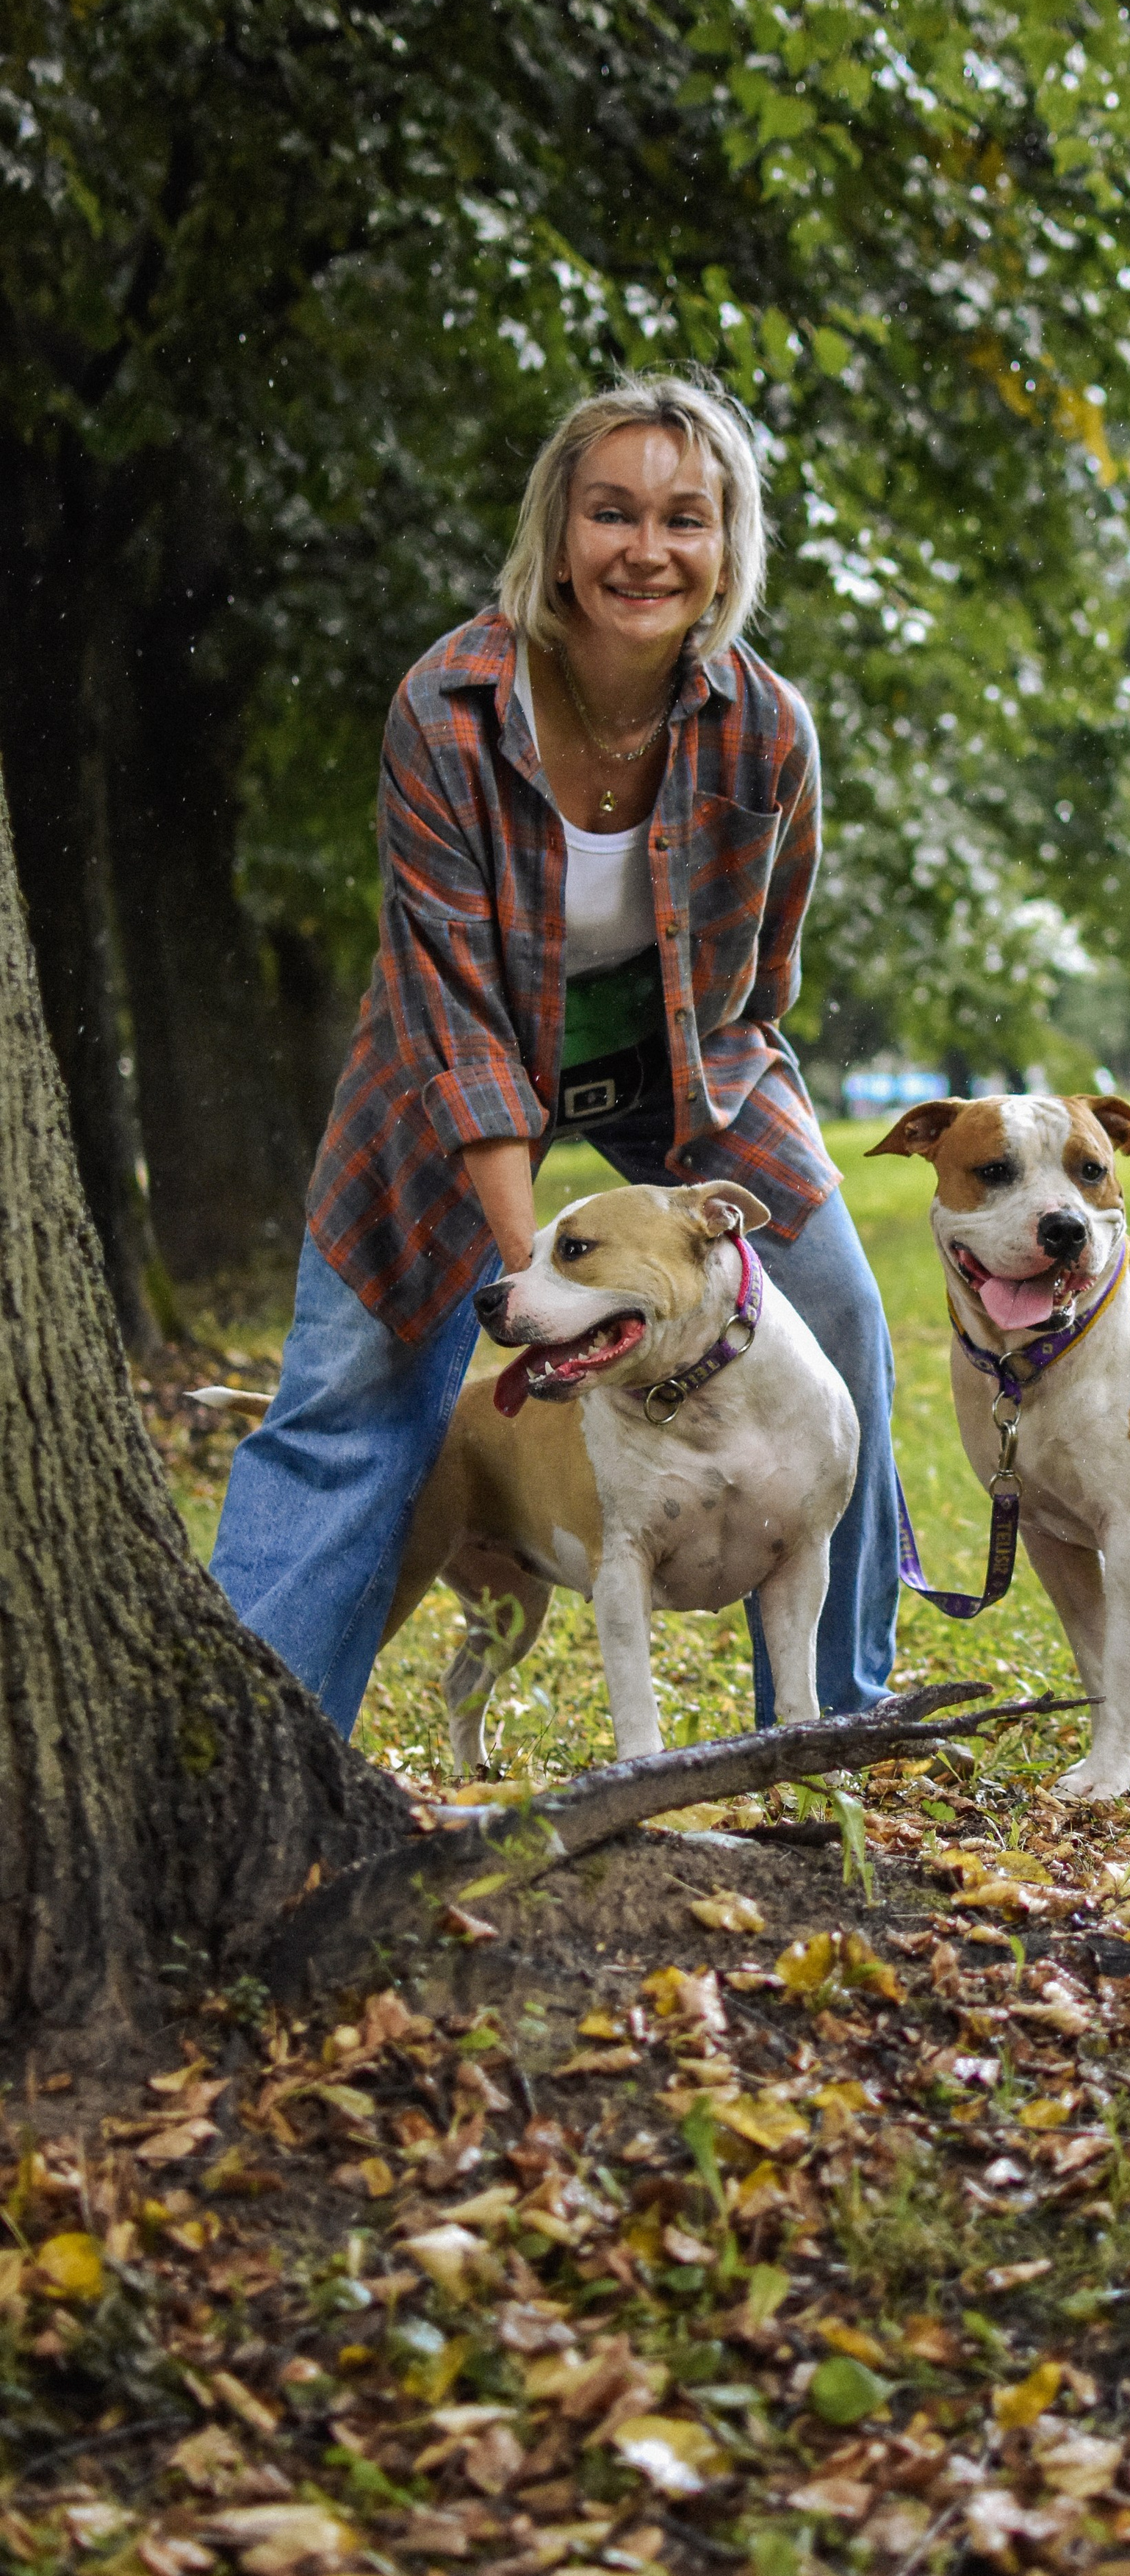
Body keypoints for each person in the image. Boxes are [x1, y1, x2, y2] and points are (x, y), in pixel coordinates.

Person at [211, 375, 898, 1742]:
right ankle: (244, 1751)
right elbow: (453, 1011)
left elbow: (766, 974)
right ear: (557, 531)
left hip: (686, 1067)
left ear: (727, 548)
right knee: (352, 1396)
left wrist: (715, 1119)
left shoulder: (767, 727)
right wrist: (548, 1292)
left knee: (846, 1315)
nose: (648, 549)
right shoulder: (449, 707)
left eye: (685, 519)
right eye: (612, 513)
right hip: (449, 1061)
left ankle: (825, 1727)